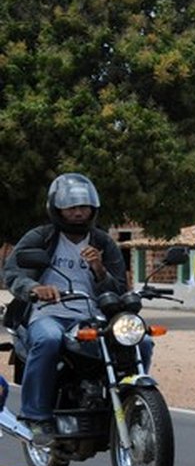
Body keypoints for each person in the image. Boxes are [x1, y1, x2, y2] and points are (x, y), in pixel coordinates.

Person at [3, 173, 136, 446]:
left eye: (83, 207)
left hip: (92, 316)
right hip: (48, 313)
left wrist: (99, 269)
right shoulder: (41, 237)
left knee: (140, 342)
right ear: (57, 209)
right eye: (71, 207)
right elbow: (13, 273)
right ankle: (34, 417)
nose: (78, 213)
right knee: (48, 339)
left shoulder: (103, 242)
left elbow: (119, 288)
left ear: (93, 208)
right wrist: (34, 288)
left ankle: (133, 403)